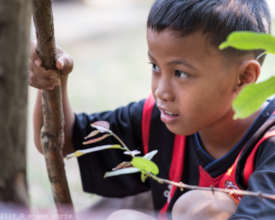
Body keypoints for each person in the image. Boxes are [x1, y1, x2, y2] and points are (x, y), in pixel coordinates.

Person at [30, 0, 275, 219]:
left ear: (243, 77)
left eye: (180, 73)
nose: (161, 91)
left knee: (200, 207)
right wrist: (54, 82)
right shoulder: (157, 120)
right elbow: (62, 141)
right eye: (155, 67)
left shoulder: (269, 144)